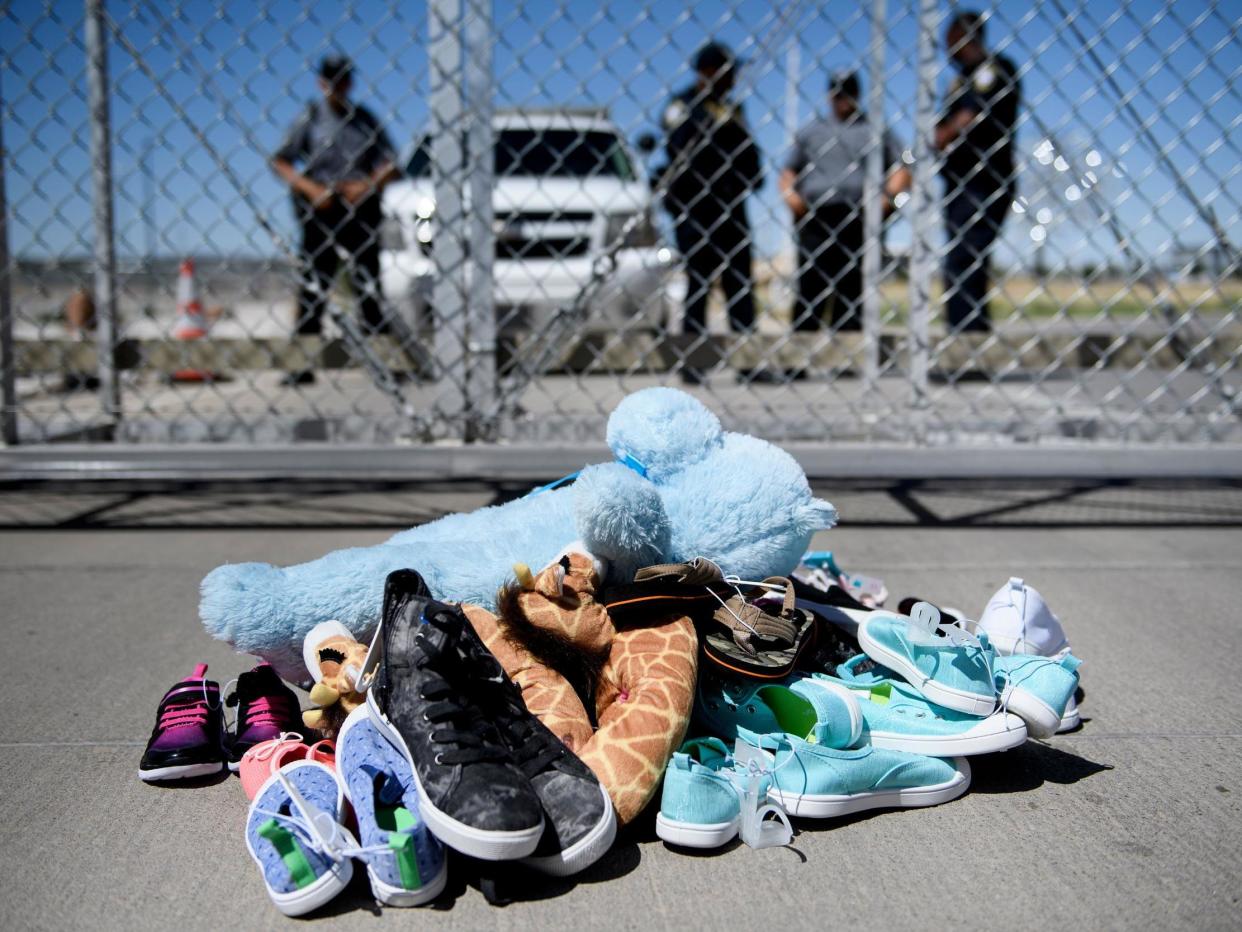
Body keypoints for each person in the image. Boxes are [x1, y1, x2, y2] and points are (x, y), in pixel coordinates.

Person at [271, 55, 399, 384]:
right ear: (321, 82)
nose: (336, 86)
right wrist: (311, 189)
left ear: (349, 82)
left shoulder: (365, 120)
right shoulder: (311, 118)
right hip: (321, 211)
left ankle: (382, 362)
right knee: (314, 288)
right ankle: (302, 364)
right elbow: (281, 161)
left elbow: (391, 163)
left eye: (341, 79)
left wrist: (367, 185)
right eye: (330, 79)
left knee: (369, 288)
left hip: (360, 208)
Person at [780, 72, 911, 333]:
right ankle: (798, 357)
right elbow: (788, 171)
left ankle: (848, 355)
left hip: (858, 215)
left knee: (852, 285)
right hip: (817, 215)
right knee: (811, 284)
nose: (843, 100)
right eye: (838, 93)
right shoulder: (813, 131)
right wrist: (791, 198)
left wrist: (887, 201)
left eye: (848, 92)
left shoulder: (874, 130)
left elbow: (902, 166)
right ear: (829, 96)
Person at [660, 41, 764, 353]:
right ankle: (693, 358)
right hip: (696, 209)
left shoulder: (733, 109)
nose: (733, 78)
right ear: (708, 72)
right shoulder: (683, 105)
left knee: (740, 284)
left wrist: (748, 174)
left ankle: (747, 358)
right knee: (698, 283)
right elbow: (677, 146)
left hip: (731, 207)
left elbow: (748, 154)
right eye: (728, 71)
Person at [934, 11, 1020, 332]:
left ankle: (967, 339)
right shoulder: (961, 80)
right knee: (961, 259)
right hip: (960, 182)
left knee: (965, 259)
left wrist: (941, 136)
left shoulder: (993, 70)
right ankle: (966, 334)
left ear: (964, 38)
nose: (948, 53)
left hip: (985, 179)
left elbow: (969, 117)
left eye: (951, 44)